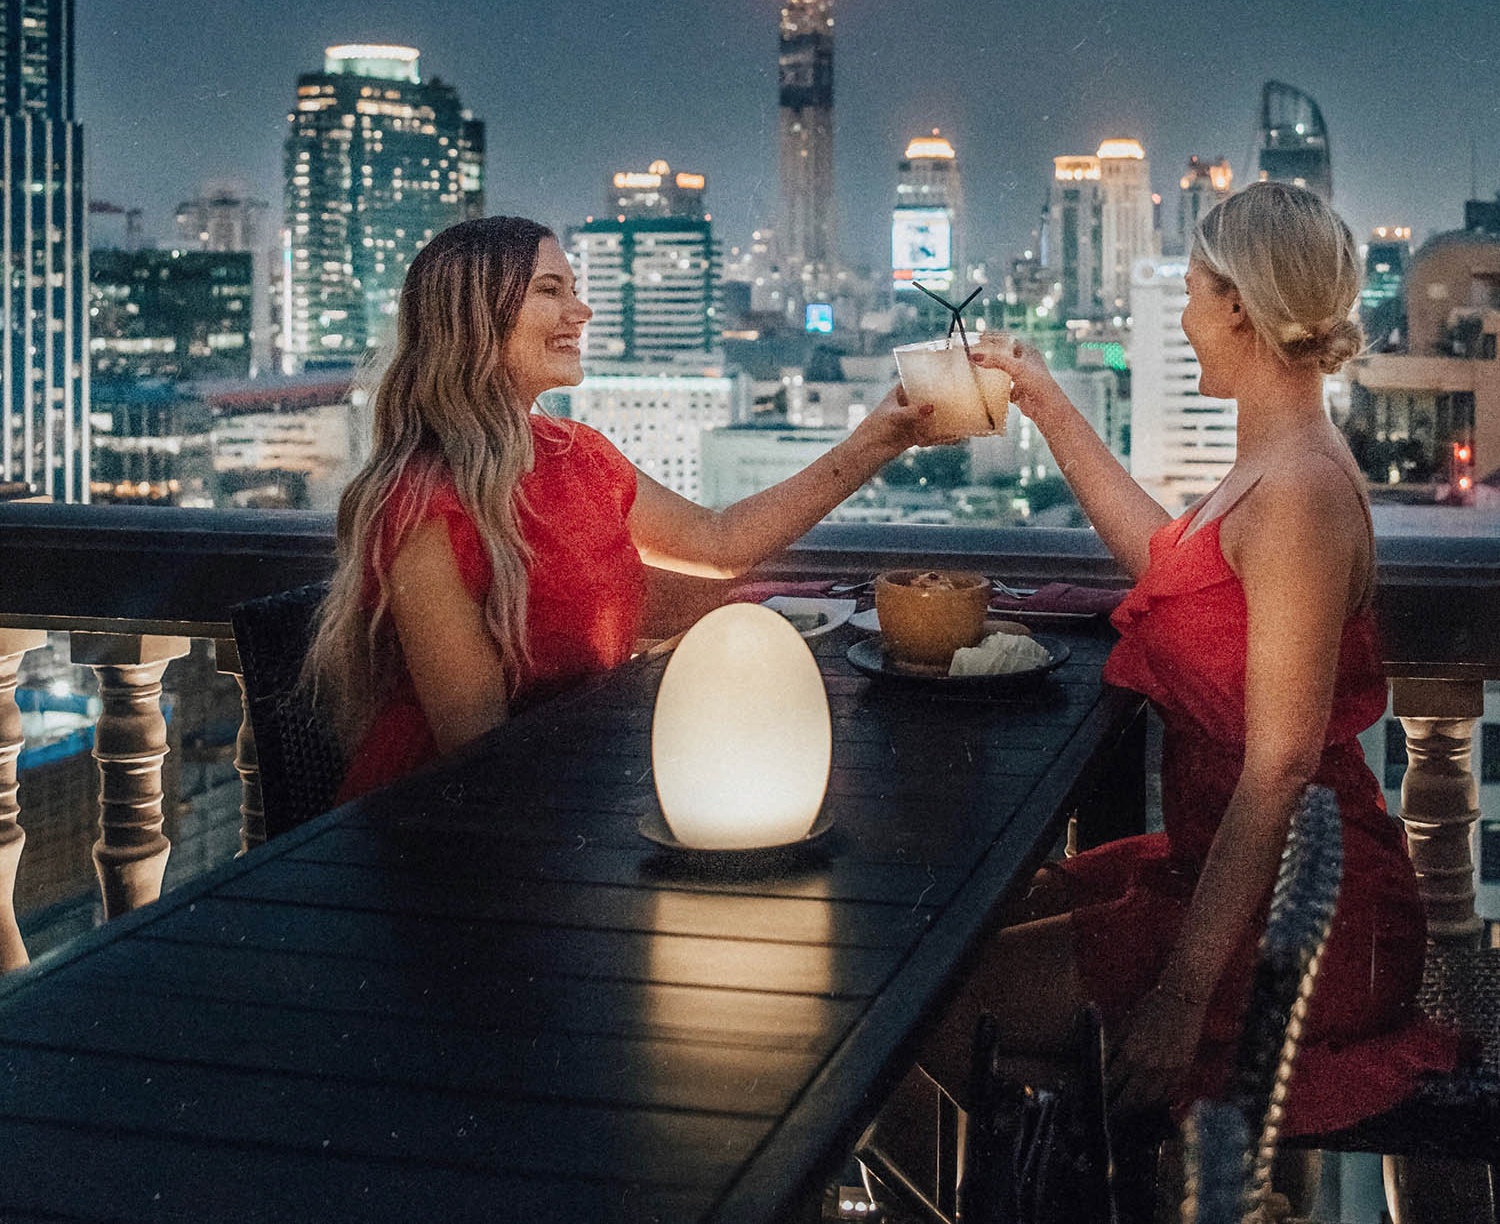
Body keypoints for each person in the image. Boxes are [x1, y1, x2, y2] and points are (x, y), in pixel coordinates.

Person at [914, 181, 1459, 1137]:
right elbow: (1175, 563)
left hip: (1306, 920)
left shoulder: (1294, 494)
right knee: (962, 934)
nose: (1184, 315)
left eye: (1197, 291)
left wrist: (1180, 992)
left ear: (1240, 304)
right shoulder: (1274, 461)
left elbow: (1282, 763)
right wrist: (1048, 402)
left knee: (939, 1006)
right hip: (1231, 875)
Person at [304, 214, 947, 802]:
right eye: (549, 290)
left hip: (570, 788)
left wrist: (878, 440)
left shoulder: (579, 455)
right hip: (440, 833)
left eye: (575, 288)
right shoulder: (423, 506)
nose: (580, 310)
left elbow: (721, 544)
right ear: (473, 318)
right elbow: (480, 754)